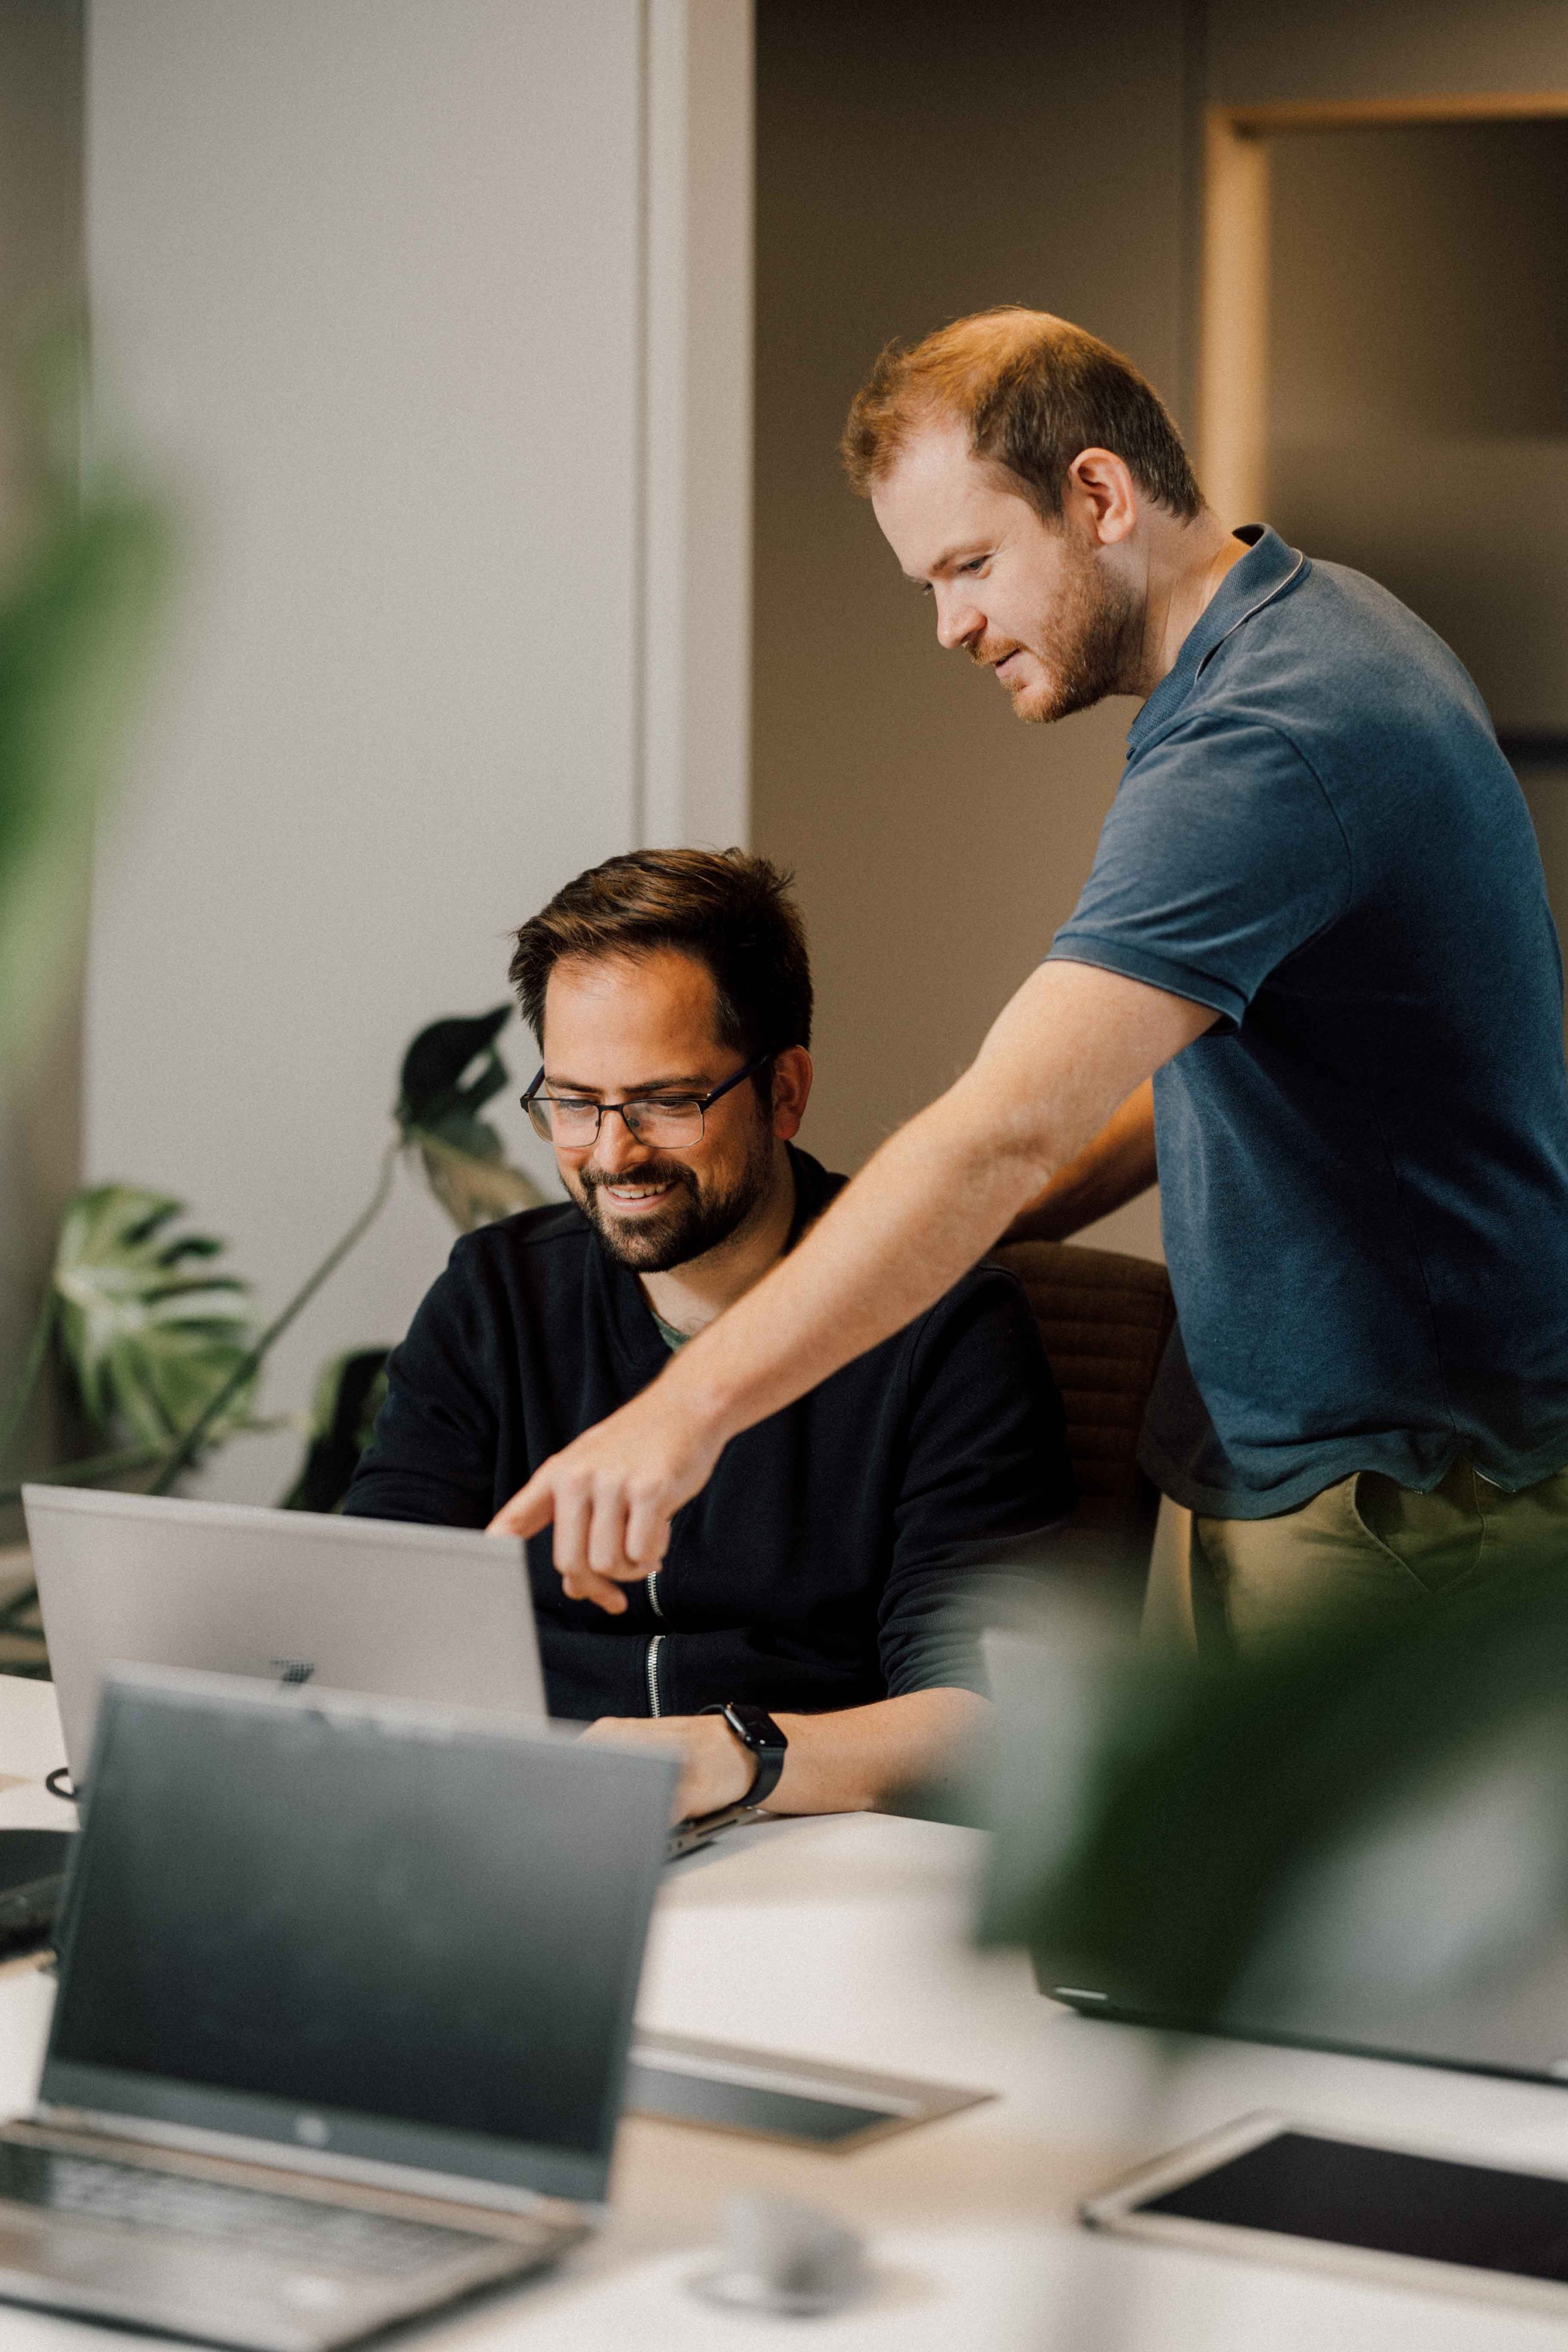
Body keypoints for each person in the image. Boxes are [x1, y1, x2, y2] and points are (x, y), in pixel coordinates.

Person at [488, 307, 1568, 1649]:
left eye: (971, 564)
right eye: (927, 585)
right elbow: (1198, 1072)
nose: (951, 625)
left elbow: (1005, 1128)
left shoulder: (1268, 734)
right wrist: (910, 1255)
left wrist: (683, 1410)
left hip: (1399, 1493)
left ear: (1099, 496)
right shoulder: (1303, 629)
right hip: (1318, 1460)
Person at [346, 847, 1072, 1816]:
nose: (613, 1154)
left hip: (805, 1836)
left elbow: (982, 1711)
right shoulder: (496, 1293)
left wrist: (734, 1757)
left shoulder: (946, 1325)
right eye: (573, 1103)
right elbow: (374, 1610)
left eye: (665, 1102)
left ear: (785, 1091)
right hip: (526, 1816)